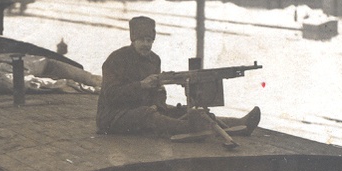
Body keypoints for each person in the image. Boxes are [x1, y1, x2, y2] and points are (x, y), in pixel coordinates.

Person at [96, 16, 260, 138]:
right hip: (113, 117)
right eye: (141, 40)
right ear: (133, 39)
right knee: (148, 116)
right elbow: (110, 95)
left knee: (182, 111)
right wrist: (142, 86)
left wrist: (159, 101)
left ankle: (238, 123)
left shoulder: (154, 59)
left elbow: (158, 92)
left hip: (143, 111)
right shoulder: (117, 59)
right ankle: (194, 129)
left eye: (149, 40)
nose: (146, 44)